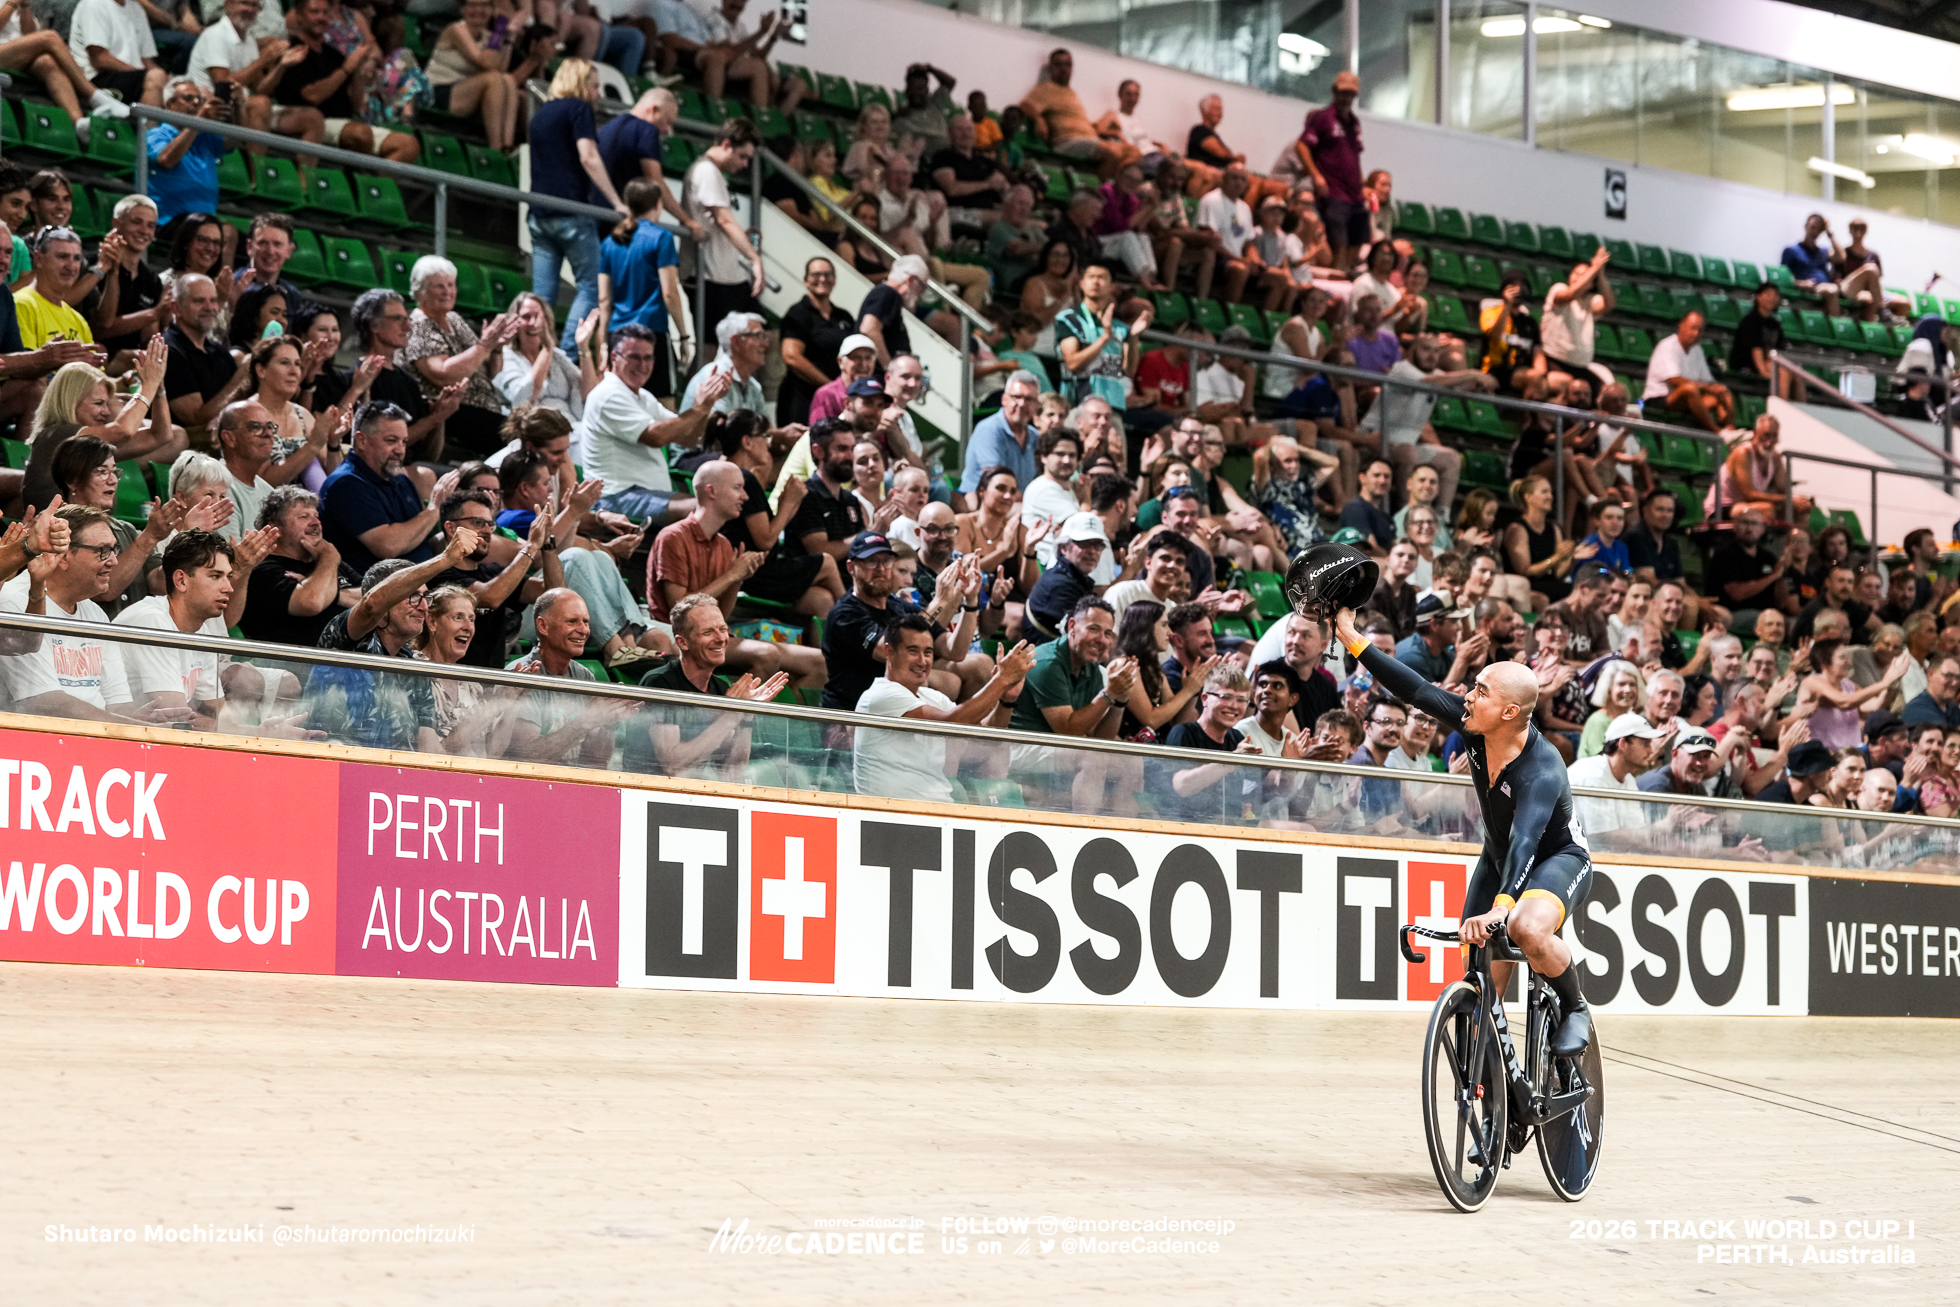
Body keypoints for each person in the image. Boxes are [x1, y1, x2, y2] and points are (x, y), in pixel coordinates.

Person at [1332, 598, 1593, 1055]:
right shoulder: (1475, 725)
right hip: (1498, 858)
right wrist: (1354, 640)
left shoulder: (1542, 769)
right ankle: (1496, 1085)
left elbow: (1527, 839)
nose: (1468, 697)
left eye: (1481, 691)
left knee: (1526, 930)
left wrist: (1501, 908)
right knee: (1477, 986)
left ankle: (1574, 1008)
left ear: (1509, 713)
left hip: (1556, 859)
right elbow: (1415, 689)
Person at [646, 458, 825, 687]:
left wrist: (739, 579)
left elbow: (721, 612)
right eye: (738, 488)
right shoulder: (673, 536)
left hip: (714, 635)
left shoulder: (723, 544)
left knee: (820, 662)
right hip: (681, 636)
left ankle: (785, 720)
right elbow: (679, 610)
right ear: (711, 491)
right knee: (767, 654)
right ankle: (732, 717)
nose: (746, 497)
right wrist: (731, 575)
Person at [854, 614, 1032, 803]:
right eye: (913, 651)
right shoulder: (880, 696)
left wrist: (1006, 699)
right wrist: (1001, 680)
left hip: (939, 812)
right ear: (889, 651)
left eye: (928, 652)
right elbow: (953, 723)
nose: (922, 661)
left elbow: (988, 737)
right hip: (888, 817)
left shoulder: (932, 697)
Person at [820, 530, 982, 711]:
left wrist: (971, 602)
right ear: (851, 568)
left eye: (887, 561)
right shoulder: (846, 613)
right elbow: (894, 653)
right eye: (871, 561)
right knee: (926, 682)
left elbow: (955, 651)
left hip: (893, 709)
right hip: (851, 717)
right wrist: (940, 601)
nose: (881, 568)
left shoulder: (899, 607)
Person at [575, 323, 720, 523]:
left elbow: (686, 438)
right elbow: (656, 436)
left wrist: (707, 405)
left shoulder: (643, 397)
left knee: (723, 501)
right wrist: (699, 409)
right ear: (614, 357)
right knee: (709, 507)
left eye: (648, 358)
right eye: (634, 357)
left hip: (647, 495)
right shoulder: (607, 395)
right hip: (616, 498)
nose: (642, 366)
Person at [275, 0, 418, 162]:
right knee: (360, 134)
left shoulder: (335, 55)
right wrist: (347, 69)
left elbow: (356, 105)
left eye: (326, 14)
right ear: (299, 17)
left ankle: (373, 185)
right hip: (313, 121)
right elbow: (312, 96)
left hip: (346, 122)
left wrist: (357, 69)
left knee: (408, 144)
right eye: (314, 12)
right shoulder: (293, 50)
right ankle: (359, 179)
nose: (321, 18)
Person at [241, 483, 359, 646]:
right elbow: (312, 602)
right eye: (304, 517)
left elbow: (374, 599)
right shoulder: (262, 569)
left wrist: (333, 595)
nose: (316, 523)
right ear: (275, 528)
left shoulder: (328, 563)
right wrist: (329, 559)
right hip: (297, 665)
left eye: (316, 515)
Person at [425, 0, 541, 153]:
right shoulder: (456, 29)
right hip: (439, 91)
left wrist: (510, 36)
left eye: (484, 5)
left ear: (492, 10)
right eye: (472, 5)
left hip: (467, 94)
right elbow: (486, 63)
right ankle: (496, 147)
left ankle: (507, 145)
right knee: (493, 78)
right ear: (462, 9)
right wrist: (500, 29)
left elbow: (502, 69)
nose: (478, 10)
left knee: (508, 81)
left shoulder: (489, 37)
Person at [685, 116, 766, 330]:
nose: (744, 164)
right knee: (711, 348)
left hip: (724, 276)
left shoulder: (714, 173)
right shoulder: (706, 171)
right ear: (726, 144)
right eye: (742, 156)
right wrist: (754, 258)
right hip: (711, 276)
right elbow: (724, 219)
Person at [1018, 48, 1134, 180]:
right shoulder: (1045, 89)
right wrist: (1039, 119)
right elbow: (1024, 106)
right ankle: (1094, 194)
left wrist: (1110, 132)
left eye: (1068, 64)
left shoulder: (1071, 93)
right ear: (1051, 68)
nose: (1064, 68)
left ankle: (1115, 193)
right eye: (1059, 64)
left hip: (1089, 140)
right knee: (1112, 154)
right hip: (1066, 141)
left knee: (1133, 153)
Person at [67, 0, 167, 110]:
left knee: (180, 89)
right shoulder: (93, 4)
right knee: (156, 77)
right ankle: (147, 127)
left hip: (132, 77)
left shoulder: (137, 9)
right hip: (97, 80)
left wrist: (171, 82)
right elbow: (100, 59)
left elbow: (148, 62)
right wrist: (145, 74)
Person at [1642, 310, 1731, 433]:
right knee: (1690, 388)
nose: (1696, 333)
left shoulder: (1697, 350)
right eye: (1693, 328)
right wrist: (1708, 388)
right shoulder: (1667, 346)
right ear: (1681, 326)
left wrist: (1718, 391)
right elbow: (1674, 380)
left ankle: (1730, 431)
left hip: (1685, 400)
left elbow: (1708, 381)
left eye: (1700, 330)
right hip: (1659, 399)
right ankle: (1717, 431)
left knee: (1723, 392)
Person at [1711, 413, 1809, 523]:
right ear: (1755, 433)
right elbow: (1749, 494)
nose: (1770, 441)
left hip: (1748, 507)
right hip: (1723, 508)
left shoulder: (1775, 458)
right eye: (1766, 435)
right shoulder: (1743, 453)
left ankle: (1796, 539)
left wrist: (1799, 502)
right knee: (1766, 509)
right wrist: (1788, 499)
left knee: (1799, 510)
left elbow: (1785, 490)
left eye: (1774, 436)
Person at [1541, 245, 1616, 388]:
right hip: (1554, 360)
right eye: (1575, 273)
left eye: (1584, 275)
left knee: (1607, 392)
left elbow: (1609, 304)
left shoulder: (1589, 301)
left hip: (1580, 367)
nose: (1577, 277)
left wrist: (1600, 275)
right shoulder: (1559, 288)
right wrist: (1594, 267)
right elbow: (1571, 294)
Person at [1728, 281, 1799, 400]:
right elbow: (1756, 349)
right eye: (1768, 294)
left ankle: (1802, 413)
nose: (1772, 298)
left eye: (1775, 295)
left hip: (1769, 362)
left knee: (1798, 375)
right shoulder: (1750, 321)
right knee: (1783, 373)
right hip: (1747, 365)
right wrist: (1764, 372)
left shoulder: (1775, 324)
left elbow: (1779, 350)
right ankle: (1781, 410)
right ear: (1758, 297)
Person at [1780, 214, 1843, 317]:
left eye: (1819, 229)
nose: (1815, 231)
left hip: (1823, 291)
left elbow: (1841, 257)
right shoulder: (1792, 250)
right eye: (1813, 227)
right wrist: (1799, 283)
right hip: (1807, 290)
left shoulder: (1823, 252)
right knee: (1831, 290)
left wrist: (1829, 233)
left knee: (1834, 290)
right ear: (1806, 226)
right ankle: (1837, 329)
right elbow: (1783, 278)